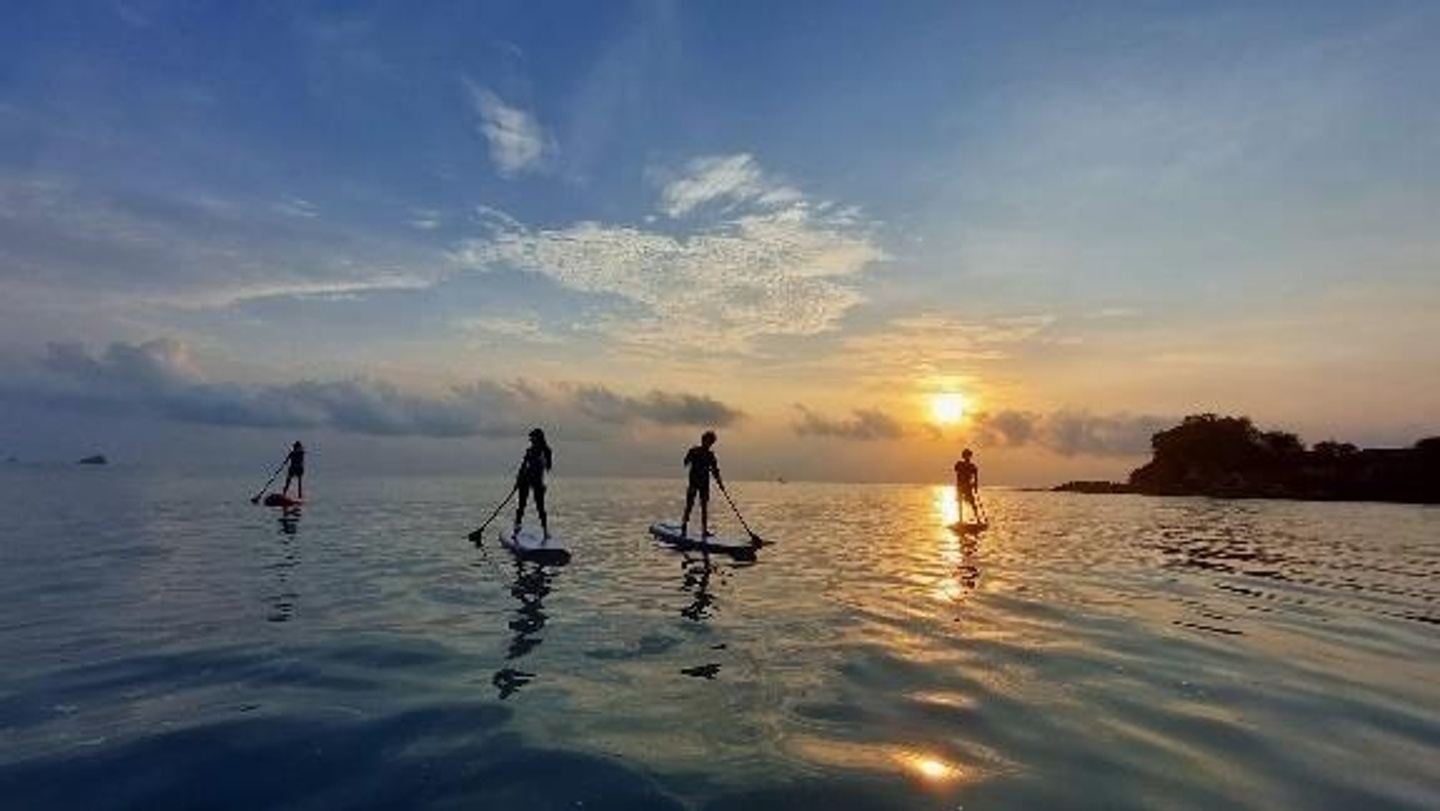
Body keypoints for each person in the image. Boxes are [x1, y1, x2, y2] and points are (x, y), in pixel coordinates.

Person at [682, 430, 724, 539]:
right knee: (689, 505)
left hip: (704, 484)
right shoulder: (694, 451)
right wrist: (690, 459)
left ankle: (704, 530)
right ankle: (684, 525)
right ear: (703, 440)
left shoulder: (710, 455)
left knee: (704, 507)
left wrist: (720, 483)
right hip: (693, 482)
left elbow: (715, 471)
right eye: (707, 441)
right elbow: (685, 462)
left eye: (711, 442)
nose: (709, 444)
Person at [514, 428, 553, 539]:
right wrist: (517, 481)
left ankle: (545, 531)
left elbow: (548, 467)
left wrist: (542, 462)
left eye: (532, 437)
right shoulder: (529, 450)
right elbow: (523, 466)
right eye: (531, 438)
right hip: (525, 479)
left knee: (540, 506)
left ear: (538, 438)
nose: (531, 440)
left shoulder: (546, 451)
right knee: (521, 504)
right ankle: (517, 527)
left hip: (537, 481)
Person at [954, 448, 980, 524]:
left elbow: (976, 477)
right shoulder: (959, 464)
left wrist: (975, 486)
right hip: (960, 486)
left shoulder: (973, 466)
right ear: (963, 456)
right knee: (960, 503)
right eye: (965, 455)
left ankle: (978, 519)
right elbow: (957, 471)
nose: (967, 457)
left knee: (973, 503)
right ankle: (960, 520)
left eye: (968, 456)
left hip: (968, 487)